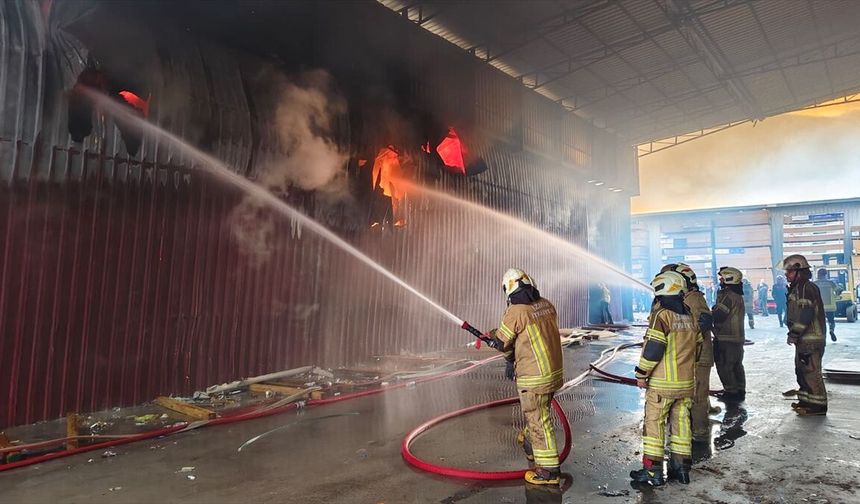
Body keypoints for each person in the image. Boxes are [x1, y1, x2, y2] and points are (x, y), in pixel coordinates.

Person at [489, 268, 564, 485]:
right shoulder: (546, 304)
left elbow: (503, 342)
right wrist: (510, 360)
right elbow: (526, 338)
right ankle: (531, 443)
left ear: (508, 288)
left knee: (538, 420)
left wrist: (494, 336)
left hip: (534, 377)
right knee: (539, 414)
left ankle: (549, 472)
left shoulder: (516, 311)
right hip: (554, 373)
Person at [630, 271, 701, 487]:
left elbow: (653, 349)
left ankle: (652, 472)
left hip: (662, 385)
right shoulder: (688, 315)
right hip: (686, 384)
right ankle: (680, 469)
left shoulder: (662, 315)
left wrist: (641, 374)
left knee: (654, 425)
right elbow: (698, 348)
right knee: (681, 425)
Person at [668, 264, 717, 442]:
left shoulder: (694, 298)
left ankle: (700, 430)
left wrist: (689, 337)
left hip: (699, 356)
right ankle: (695, 424)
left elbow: (705, 319)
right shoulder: (685, 298)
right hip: (691, 356)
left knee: (698, 395)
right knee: (694, 393)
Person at [784, 256, 828, 415]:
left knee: (811, 372)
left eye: (789, 271)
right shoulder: (798, 287)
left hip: (811, 339)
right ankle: (806, 401)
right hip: (804, 339)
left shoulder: (806, 288)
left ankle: (818, 406)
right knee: (801, 370)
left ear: (799, 271)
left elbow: (806, 313)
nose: (787, 274)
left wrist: (794, 333)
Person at [712, 267, 747, 402]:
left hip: (726, 338)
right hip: (737, 338)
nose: (720, 280)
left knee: (725, 366)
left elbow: (719, 315)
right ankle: (739, 390)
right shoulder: (737, 295)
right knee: (737, 365)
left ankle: (731, 392)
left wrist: (708, 315)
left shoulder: (727, 296)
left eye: (722, 277)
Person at [814, 268, 841, 342]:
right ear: (826, 274)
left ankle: (821, 335)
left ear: (818, 274)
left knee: (819, 321)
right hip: (830, 306)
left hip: (819, 306)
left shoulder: (814, 283)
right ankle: (831, 330)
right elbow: (839, 290)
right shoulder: (831, 283)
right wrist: (837, 294)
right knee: (831, 320)